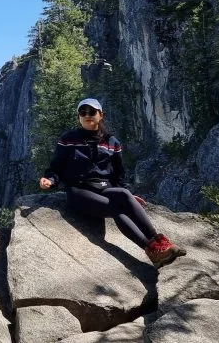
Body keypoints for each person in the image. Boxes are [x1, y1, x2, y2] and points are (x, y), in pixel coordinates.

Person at [38, 98, 186, 267]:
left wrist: (129, 198)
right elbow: (56, 167)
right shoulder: (68, 139)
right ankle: (150, 249)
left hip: (104, 188)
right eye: (82, 112)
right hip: (79, 190)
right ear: (78, 117)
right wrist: (49, 180)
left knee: (123, 195)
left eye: (92, 112)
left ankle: (160, 243)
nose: (87, 115)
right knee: (115, 208)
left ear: (101, 115)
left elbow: (118, 174)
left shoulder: (112, 142)